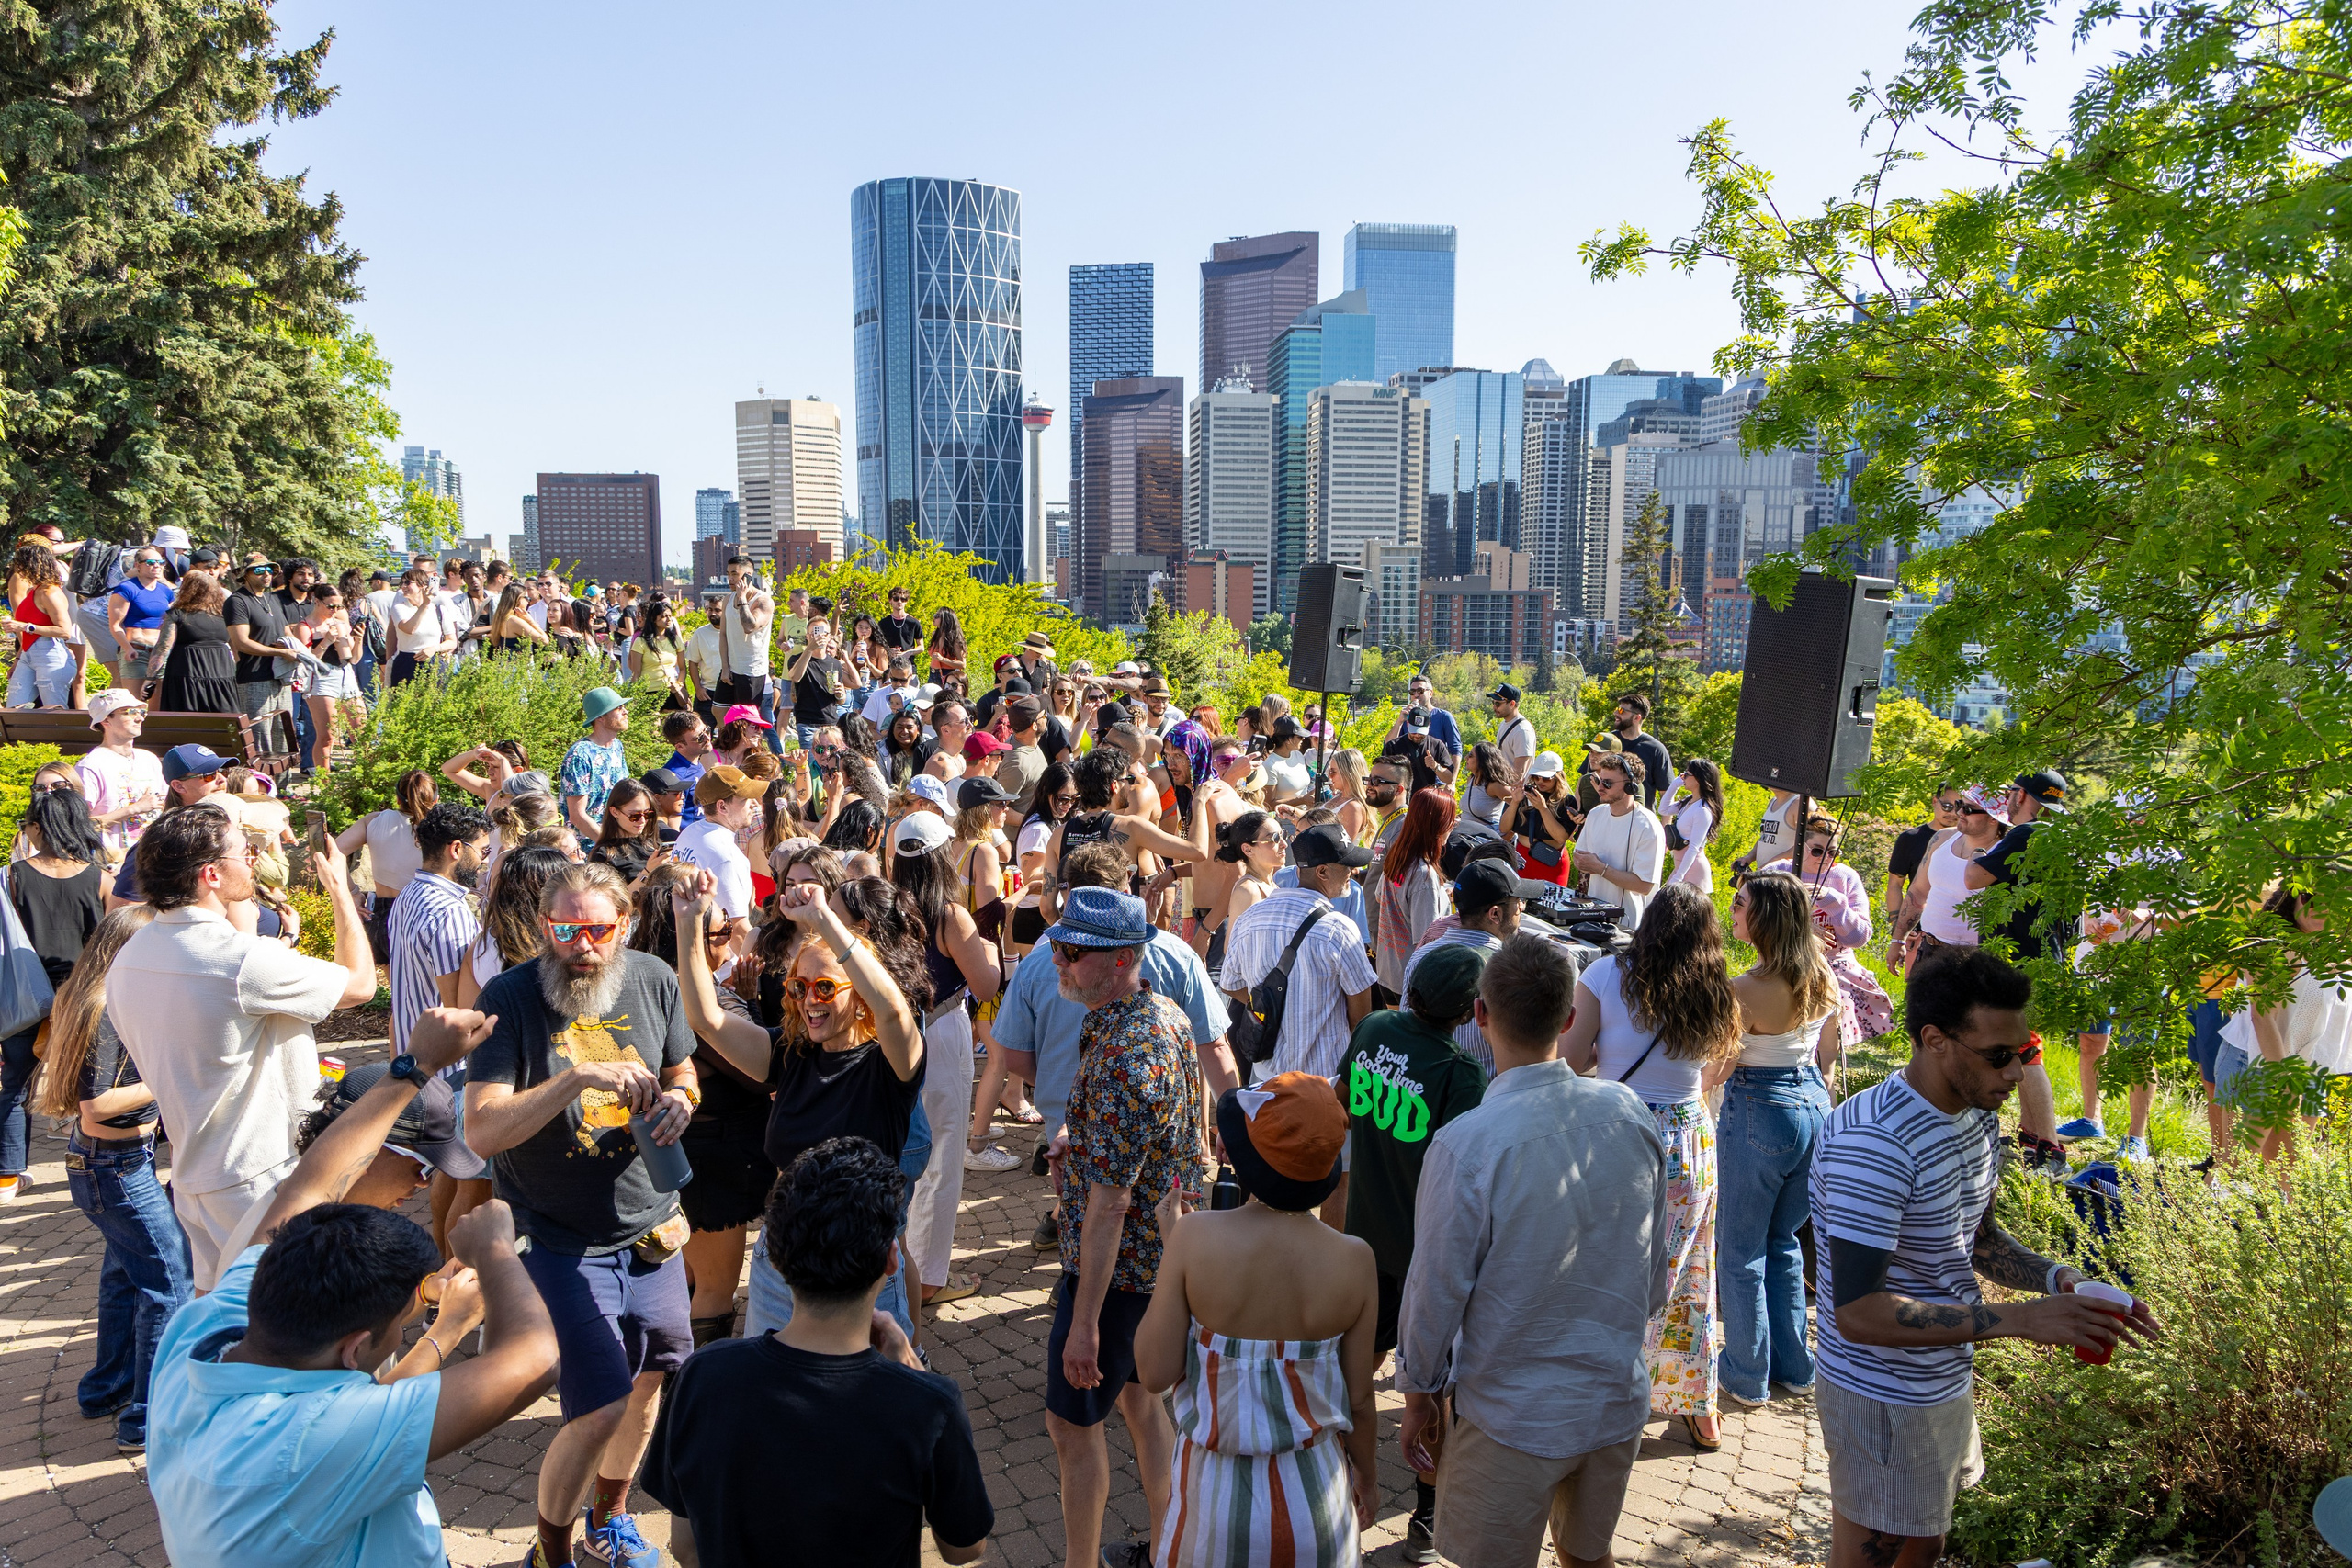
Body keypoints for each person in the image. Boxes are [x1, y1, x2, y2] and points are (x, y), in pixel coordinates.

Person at [147, 1010, 562, 1568]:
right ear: (352, 1349)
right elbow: (534, 1358)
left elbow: (310, 1186)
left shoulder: (204, 1330)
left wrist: (416, 1068)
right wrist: (495, 1255)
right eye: (395, 1326)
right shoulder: (307, 1443)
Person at [1813, 946, 2159, 1568]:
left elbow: (1977, 1239)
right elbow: (1857, 1313)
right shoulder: (1875, 1145)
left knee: (1927, 1542)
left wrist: (2064, 1279)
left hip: (1939, 1380)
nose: (2017, 1075)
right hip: (1883, 1398)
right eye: (2000, 1057)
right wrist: (2021, 1319)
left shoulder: (1974, 1111)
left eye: (2025, 1054)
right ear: (1935, 1040)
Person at [1397, 934, 1671, 1568]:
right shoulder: (1628, 1112)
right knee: (1586, 1555)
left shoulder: (1466, 1144)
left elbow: (1435, 1290)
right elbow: (1652, 1275)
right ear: (1571, 1017)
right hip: (1613, 1398)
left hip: (1508, 1418)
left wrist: (1419, 1394)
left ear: (1480, 1015)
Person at [463, 860, 702, 1568]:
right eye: (566, 928)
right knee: (598, 1401)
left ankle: (611, 1515)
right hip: (557, 1239)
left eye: (597, 928)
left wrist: (685, 1101)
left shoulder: (654, 978)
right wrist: (575, 1075)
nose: (582, 944)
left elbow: (685, 1068)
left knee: (652, 1376)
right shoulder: (510, 997)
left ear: (623, 925)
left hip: (652, 1227)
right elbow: (480, 1130)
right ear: (544, 926)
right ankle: (550, 1549)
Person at [640, 1136, 995, 1568]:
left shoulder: (703, 1376)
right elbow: (964, 1549)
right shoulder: (929, 1406)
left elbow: (687, 1546)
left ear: (778, 1258)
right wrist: (914, 1377)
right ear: (891, 1260)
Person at [106, 806, 378, 1288]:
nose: (254, 860)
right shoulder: (240, 960)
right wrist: (340, 890)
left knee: (222, 1321)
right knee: (291, 1322)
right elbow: (360, 986)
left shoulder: (130, 956)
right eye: (245, 852)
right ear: (211, 873)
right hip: (259, 1173)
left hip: (192, 1172)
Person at [1136, 1074, 1380, 1568]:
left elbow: (1154, 1371)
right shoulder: (1355, 1259)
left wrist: (1173, 1252)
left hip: (1212, 1504)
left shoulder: (1194, 1238)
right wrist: (1369, 1478)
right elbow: (1358, 1398)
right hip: (1316, 1501)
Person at [671, 876, 929, 1340]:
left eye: (826, 988)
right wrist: (688, 925)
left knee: (856, 1401)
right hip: (780, 1257)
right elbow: (704, 1019)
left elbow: (892, 1011)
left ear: (860, 992)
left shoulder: (890, 1065)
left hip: (859, 1254)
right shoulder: (790, 1054)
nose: (810, 1000)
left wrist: (822, 920)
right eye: (799, 987)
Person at [1039, 886, 1209, 1568]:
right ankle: (1174, 1546)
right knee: (1142, 1399)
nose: (1056, 959)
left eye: (1070, 951)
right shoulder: (1155, 1013)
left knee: (1071, 1424)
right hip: (1157, 1263)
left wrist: (1084, 1322)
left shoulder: (1122, 1055)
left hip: (1119, 1274)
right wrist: (1076, 1141)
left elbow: (1111, 1205)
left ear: (1118, 959)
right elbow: (1170, 1137)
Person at [1558, 880, 1739, 1450]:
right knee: (1690, 1276)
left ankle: (1610, 1397)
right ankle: (1696, 1402)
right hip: (1690, 1139)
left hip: (1621, 1131)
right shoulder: (1718, 988)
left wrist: (1607, 1054)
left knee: (1616, 1274)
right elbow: (1722, 1065)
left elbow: (1570, 1057)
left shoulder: (1605, 975)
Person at [994, 840, 1236, 1254]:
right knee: (1126, 1222)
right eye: (1065, 951)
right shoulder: (1177, 957)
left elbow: (1014, 1056)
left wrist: (1060, 1084)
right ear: (1127, 887)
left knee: (1101, 1213)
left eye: (1072, 952)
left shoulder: (1040, 963)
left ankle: (1089, 1285)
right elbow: (1212, 1046)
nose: (1061, 962)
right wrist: (1229, 1118)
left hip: (1080, 1124)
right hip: (1146, 1140)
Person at [1336, 945, 1488, 1561]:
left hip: (1365, 1241)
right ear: (1470, 1012)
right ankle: (1426, 1518)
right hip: (1428, 1257)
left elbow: (1342, 1101)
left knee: (1351, 1380)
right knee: (1430, 1393)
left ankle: (1340, 1487)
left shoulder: (1373, 1026)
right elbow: (1463, 1169)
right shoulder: (1461, 1073)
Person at [29, 905, 187, 1451]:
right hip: (114, 1166)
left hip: (113, 1163)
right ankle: (146, 1421)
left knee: (124, 1279)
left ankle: (105, 1390)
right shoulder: (103, 1008)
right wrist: (173, 1073)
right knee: (169, 1287)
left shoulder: (96, 996)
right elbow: (97, 1105)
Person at [1716, 871, 1840, 1410]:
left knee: (1741, 1249)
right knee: (1783, 1242)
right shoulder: (1820, 974)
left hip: (1759, 1108)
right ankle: (1794, 1367)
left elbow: (1719, 1068)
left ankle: (1745, 1375)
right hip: (1813, 1104)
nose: (1733, 909)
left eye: (1740, 903)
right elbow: (1830, 1048)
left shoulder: (1743, 990)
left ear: (1763, 917)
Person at [888, 811, 1003, 1304]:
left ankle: (900, 1265)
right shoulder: (948, 914)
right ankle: (929, 1276)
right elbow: (985, 984)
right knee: (942, 1152)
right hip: (939, 1030)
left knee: (899, 1147)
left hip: (889, 1036)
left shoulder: (879, 904)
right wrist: (994, 947)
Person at [387, 800, 494, 1253]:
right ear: (457, 849)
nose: (485, 860)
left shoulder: (409, 894)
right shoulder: (449, 913)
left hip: (417, 1056)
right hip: (448, 1067)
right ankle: (452, 1275)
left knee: (449, 1175)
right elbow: (458, 1006)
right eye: (482, 851)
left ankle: (439, 1261)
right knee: (471, 1185)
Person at [0, 785, 107, 1201]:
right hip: (82, 997)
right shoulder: (102, 879)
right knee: (91, 1082)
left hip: (25, 994)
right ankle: (90, 1161)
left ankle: (8, 1175)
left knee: (16, 1082)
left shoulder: (11, 877)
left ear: (38, 828)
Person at [1221, 825, 1378, 1091]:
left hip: (1267, 1078)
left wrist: (1270, 1004)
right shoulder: (1338, 929)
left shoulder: (1250, 918)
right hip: (1325, 1082)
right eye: (1347, 865)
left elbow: (1230, 984)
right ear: (1323, 872)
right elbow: (1360, 1020)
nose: (1354, 872)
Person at [334, 767, 437, 963]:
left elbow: (332, 853)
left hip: (381, 916)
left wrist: (353, 893)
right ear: (435, 800)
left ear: (397, 799)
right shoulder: (438, 828)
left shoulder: (374, 821)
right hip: (420, 914)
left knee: (396, 992)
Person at [1375, 788, 1458, 999]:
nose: (1455, 824)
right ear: (1438, 825)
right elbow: (1427, 940)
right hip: (1410, 982)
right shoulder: (1424, 875)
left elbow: (1381, 895)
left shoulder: (1398, 856)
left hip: (1387, 971)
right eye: (1451, 818)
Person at [1571, 750, 1665, 930]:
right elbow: (1579, 858)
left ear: (1630, 786)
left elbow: (1644, 885)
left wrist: (1600, 868)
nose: (1600, 787)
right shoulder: (1596, 814)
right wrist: (1582, 861)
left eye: (1607, 783)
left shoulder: (1648, 826)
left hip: (1629, 926)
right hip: (1593, 917)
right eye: (1599, 781)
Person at [75, 689, 168, 861]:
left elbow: (165, 804)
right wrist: (134, 809)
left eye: (142, 712)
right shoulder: (90, 766)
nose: (139, 718)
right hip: (114, 867)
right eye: (130, 712)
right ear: (105, 719)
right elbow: (79, 825)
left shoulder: (149, 759)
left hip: (153, 861)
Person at [672, 763, 766, 924]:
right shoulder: (726, 857)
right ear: (722, 806)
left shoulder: (690, 832)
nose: (754, 803)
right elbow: (736, 929)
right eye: (745, 799)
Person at [221, 558, 296, 755]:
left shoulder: (273, 599)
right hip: (254, 679)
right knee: (260, 740)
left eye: (271, 570)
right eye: (259, 570)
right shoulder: (237, 601)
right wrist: (280, 652)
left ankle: (282, 786)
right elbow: (241, 642)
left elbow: (287, 632)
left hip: (281, 678)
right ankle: (260, 785)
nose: (267, 574)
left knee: (285, 738)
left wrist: (295, 649)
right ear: (245, 574)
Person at [146, 567, 239, 714]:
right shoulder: (225, 616)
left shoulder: (177, 614)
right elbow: (237, 648)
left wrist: (150, 677)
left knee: (186, 722)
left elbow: (163, 648)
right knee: (223, 722)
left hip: (186, 674)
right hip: (222, 674)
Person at [3, 538, 83, 708]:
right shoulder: (33, 590)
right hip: (28, 654)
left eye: (21, 565)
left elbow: (64, 631)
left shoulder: (51, 593)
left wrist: (26, 627)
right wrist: (18, 658)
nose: (18, 570)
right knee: (14, 708)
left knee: (54, 711)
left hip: (51, 654)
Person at [562, 685, 635, 849]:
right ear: (601, 717)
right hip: (587, 848)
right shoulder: (580, 755)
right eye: (618, 708)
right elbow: (577, 816)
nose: (626, 712)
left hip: (615, 839)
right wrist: (609, 844)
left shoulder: (617, 746)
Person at [1883, 786, 1962, 925]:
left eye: (1959, 807)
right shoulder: (1910, 839)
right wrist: (1897, 923)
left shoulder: (1969, 839)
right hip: (1918, 924)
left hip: (1959, 924)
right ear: (1934, 801)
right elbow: (1895, 883)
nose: (1953, 813)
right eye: (1947, 806)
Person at [105, 543, 175, 695]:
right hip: (137, 651)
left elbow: (170, 623)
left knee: (158, 707)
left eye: (161, 562)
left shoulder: (166, 591)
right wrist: (127, 647)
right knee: (135, 703)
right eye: (150, 563)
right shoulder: (127, 588)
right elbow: (115, 625)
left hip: (159, 652)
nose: (157, 566)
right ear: (138, 565)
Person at [590, 778, 667, 887]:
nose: (643, 821)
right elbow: (612, 900)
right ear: (615, 812)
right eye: (634, 816)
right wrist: (647, 872)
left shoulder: (652, 844)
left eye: (647, 814)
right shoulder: (603, 855)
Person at [1664, 757, 1725, 892]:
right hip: (1680, 868)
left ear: (1698, 779)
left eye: (1687, 775)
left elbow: (1694, 848)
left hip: (1692, 871)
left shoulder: (1702, 811)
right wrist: (1675, 785)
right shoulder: (1688, 802)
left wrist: (1678, 878)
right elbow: (1663, 809)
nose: (1683, 777)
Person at [1611, 692, 1673, 808]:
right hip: (1608, 817)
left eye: (1621, 711)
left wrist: (1665, 825)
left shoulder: (1655, 749)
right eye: (1617, 709)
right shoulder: (1608, 741)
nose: (1616, 713)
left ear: (1637, 717)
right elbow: (1585, 778)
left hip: (1641, 820)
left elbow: (1666, 793)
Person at [1487, 682, 1537, 781]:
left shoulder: (1522, 730)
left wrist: (1505, 791)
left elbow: (1519, 772)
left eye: (1498, 703)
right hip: (1505, 787)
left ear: (1512, 704)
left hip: (1516, 791)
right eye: (1493, 702)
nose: (1494, 707)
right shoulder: (1505, 724)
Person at [925, 605, 967, 686]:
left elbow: (962, 664)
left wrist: (942, 659)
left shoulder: (955, 639)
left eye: (937, 616)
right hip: (933, 673)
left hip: (948, 675)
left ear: (945, 620)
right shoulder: (935, 634)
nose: (934, 617)